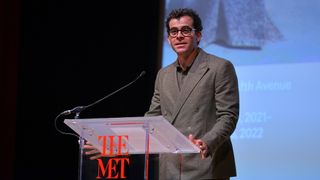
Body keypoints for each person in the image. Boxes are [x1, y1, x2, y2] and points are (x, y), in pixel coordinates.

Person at [144, 8, 239, 180]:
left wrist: (207, 141)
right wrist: (117, 144)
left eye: (186, 30)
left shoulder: (219, 67)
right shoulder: (163, 75)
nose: (179, 36)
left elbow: (228, 116)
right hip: (170, 167)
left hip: (206, 162)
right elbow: (153, 118)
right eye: (174, 31)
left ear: (198, 35)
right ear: (169, 39)